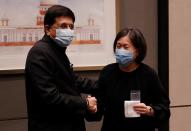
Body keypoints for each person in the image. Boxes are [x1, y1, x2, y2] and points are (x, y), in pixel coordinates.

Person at [25, 5, 97, 131]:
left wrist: (102, 84)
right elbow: (50, 97)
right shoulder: (39, 53)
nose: (69, 31)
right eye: (63, 26)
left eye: (71, 27)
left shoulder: (56, 50)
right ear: (47, 29)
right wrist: (85, 103)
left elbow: (71, 79)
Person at [88, 27, 170, 131]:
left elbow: (164, 108)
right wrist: (93, 108)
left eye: (126, 47)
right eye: (118, 46)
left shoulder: (148, 74)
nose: (121, 50)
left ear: (137, 51)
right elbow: (98, 106)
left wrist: (149, 110)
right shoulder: (108, 72)